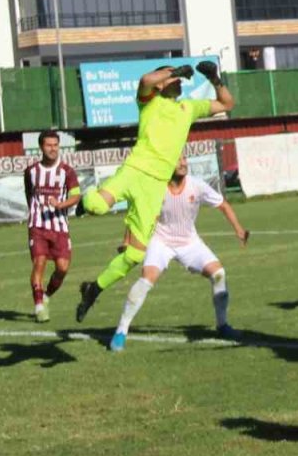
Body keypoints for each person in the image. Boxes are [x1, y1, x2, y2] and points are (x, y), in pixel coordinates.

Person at [75, 61, 234, 322]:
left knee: (136, 254)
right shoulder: (149, 101)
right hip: (134, 171)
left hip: (154, 186)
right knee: (95, 206)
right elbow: (144, 81)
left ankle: (93, 289)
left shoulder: (188, 108)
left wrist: (215, 79)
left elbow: (227, 105)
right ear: (161, 82)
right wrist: (173, 72)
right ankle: (87, 195)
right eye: (173, 78)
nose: (179, 82)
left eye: (180, 78)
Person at [108, 157, 249, 352]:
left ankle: (222, 325)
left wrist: (239, 230)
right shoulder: (156, 189)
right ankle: (121, 331)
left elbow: (223, 205)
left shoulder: (197, 186)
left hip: (190, 242)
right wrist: (126, 240)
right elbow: (136, 213)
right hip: (161, 242)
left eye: (184, 159)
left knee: (219, 274)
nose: (182, 163)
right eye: (177, 160)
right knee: (147, 280)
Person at [23, 130, 81, 322]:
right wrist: (35, 212)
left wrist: (60, 205)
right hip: (37, 226)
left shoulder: (67, 172)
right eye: (49, 145)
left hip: (60, 227)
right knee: (39, 262)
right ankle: (39, 306)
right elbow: (29, 194)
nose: (53, 149)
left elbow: (75, 196)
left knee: (62, 268)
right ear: (41, 147)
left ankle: (46, 296)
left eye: (56, 145)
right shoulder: (31, 172)